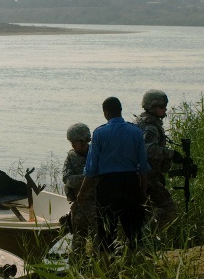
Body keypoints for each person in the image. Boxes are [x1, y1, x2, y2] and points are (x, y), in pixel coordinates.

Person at [77, 97, 151, 255]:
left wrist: (81, 193)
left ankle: (105, 267)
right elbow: (143, 166)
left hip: (108, 186)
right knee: (134, 230)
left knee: (106, 231)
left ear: (106, 112)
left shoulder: (99, 133)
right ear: (121, 110)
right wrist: (143, 189)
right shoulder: (136, 132)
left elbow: (91, 169)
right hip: (130, 184)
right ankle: (136, 263)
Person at [135, 89, 181, 228]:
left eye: (165, 106)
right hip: (149, 177)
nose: (165, 110)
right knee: (169, 209)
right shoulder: (150, 127)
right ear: (152, 107)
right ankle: (148, 235)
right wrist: (171, 154)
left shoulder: (140, 121)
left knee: (147, 211)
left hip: (141, 176)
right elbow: (148, 149)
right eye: (162, 107)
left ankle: (142, 240)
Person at [62, 122, 96, 259]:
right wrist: (88, 177)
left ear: (84, 141)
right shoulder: (71, 157)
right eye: (71, 143)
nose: (73, 146)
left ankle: (98, 268)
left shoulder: (96, 154)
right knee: (78, 241)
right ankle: (77, 267)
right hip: (78, 205)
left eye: (75, 143)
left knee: (98, 239)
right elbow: (67, 178)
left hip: (95, 205)